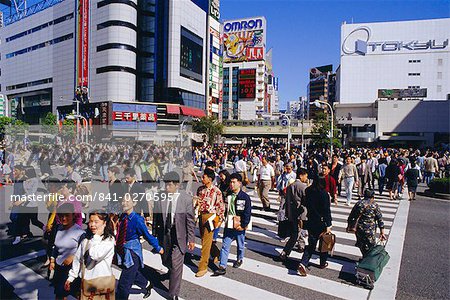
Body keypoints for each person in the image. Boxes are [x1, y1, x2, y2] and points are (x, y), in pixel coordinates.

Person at [152, 172, 195, 300]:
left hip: (180, 235)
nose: (166, 188)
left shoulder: (186, 199)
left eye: (169, 185)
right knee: (165, 259)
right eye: (165, 184)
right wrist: (154, 234)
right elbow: (156, 217)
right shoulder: (160, 197)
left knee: (177, 264)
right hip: (165, 234)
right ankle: (170, 271)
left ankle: (173, 294)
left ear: (177, 185)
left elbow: (190, 221)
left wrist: (191, 239)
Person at [115, 193, 164, 299]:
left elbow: (147, 235)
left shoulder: (137, 219)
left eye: (128, 201)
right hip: (122, 249)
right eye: (123, 200)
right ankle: (147, 284)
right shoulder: (122, 216)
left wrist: (158, 247)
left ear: (134, 203)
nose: (124, 203)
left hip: (133, 252)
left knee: (124, 284)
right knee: (133, 273)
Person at [65, 210, 116, 299]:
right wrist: (71, 277)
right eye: (91, 221)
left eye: (96, 222)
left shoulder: (109, 240)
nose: (92, 225)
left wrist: (96, 236)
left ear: (104, 223)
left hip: (103, 284)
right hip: (87, 283)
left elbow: (95, 255)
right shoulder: (86, 239)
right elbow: (78, 259)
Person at [213, 173, 252, 276]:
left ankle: (239, 258)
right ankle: (222, 266)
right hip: (229, 222)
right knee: (225, 244)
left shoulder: (244, 197)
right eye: (230, 182)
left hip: (240, 223)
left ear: (239, 183)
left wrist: (243, 225)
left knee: (240, 244)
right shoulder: (228, 194)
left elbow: (247, 212)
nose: (231, 184)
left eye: (234, 182)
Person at [298, 177, 332, 276]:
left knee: (311, 243)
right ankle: (322, 263)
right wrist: (328, 224)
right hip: (321, 222)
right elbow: (326, 210)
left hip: (311, 220)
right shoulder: (324, 194)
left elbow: (304, 203)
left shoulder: (308, 191)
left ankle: (303, 263)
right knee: (324, 242)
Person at [50, 203, 85, 300]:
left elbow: (85, 251)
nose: (64, 218)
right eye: (61, 216)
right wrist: (52, 260)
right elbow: (55, 246)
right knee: (59, 294)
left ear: (73, 215)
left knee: (77, 294)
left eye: (67, 215)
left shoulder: (80, 233)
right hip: (59, 267)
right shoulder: (58, 228)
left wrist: (73, 256)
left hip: (72, 269)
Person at [195, 169, 225, 277]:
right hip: (201, 215)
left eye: (204, 177)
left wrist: (219, 219)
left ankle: (202, 267)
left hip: (211, 217)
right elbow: (197, 202)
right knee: (204, 239)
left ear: (210, 179)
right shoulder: (200, 189)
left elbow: (221, 207)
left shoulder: (217, 191)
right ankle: (216, 253)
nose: (202, 178)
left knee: (205, 243)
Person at [279, 168, 308, 260]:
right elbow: (306, 201)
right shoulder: (303, 186)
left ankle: (301, 246)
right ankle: (285, 252)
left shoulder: (290, 186)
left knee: (297, 231)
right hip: (300, 213)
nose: (306, 178)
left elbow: (286, 200)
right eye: (305, 176)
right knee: (296, 233)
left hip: (291, 213)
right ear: (301, 175)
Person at [347, 189, 386, 257]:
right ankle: (368, 259)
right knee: (371, 246)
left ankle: (364, 256)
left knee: (361, 244)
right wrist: (382, 232)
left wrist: (349, 225)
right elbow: (380, 219)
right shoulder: (374, 205)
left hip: (359, 229)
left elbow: (351, 216)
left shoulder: (359, 203)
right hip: (370, 229)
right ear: (373, 196)